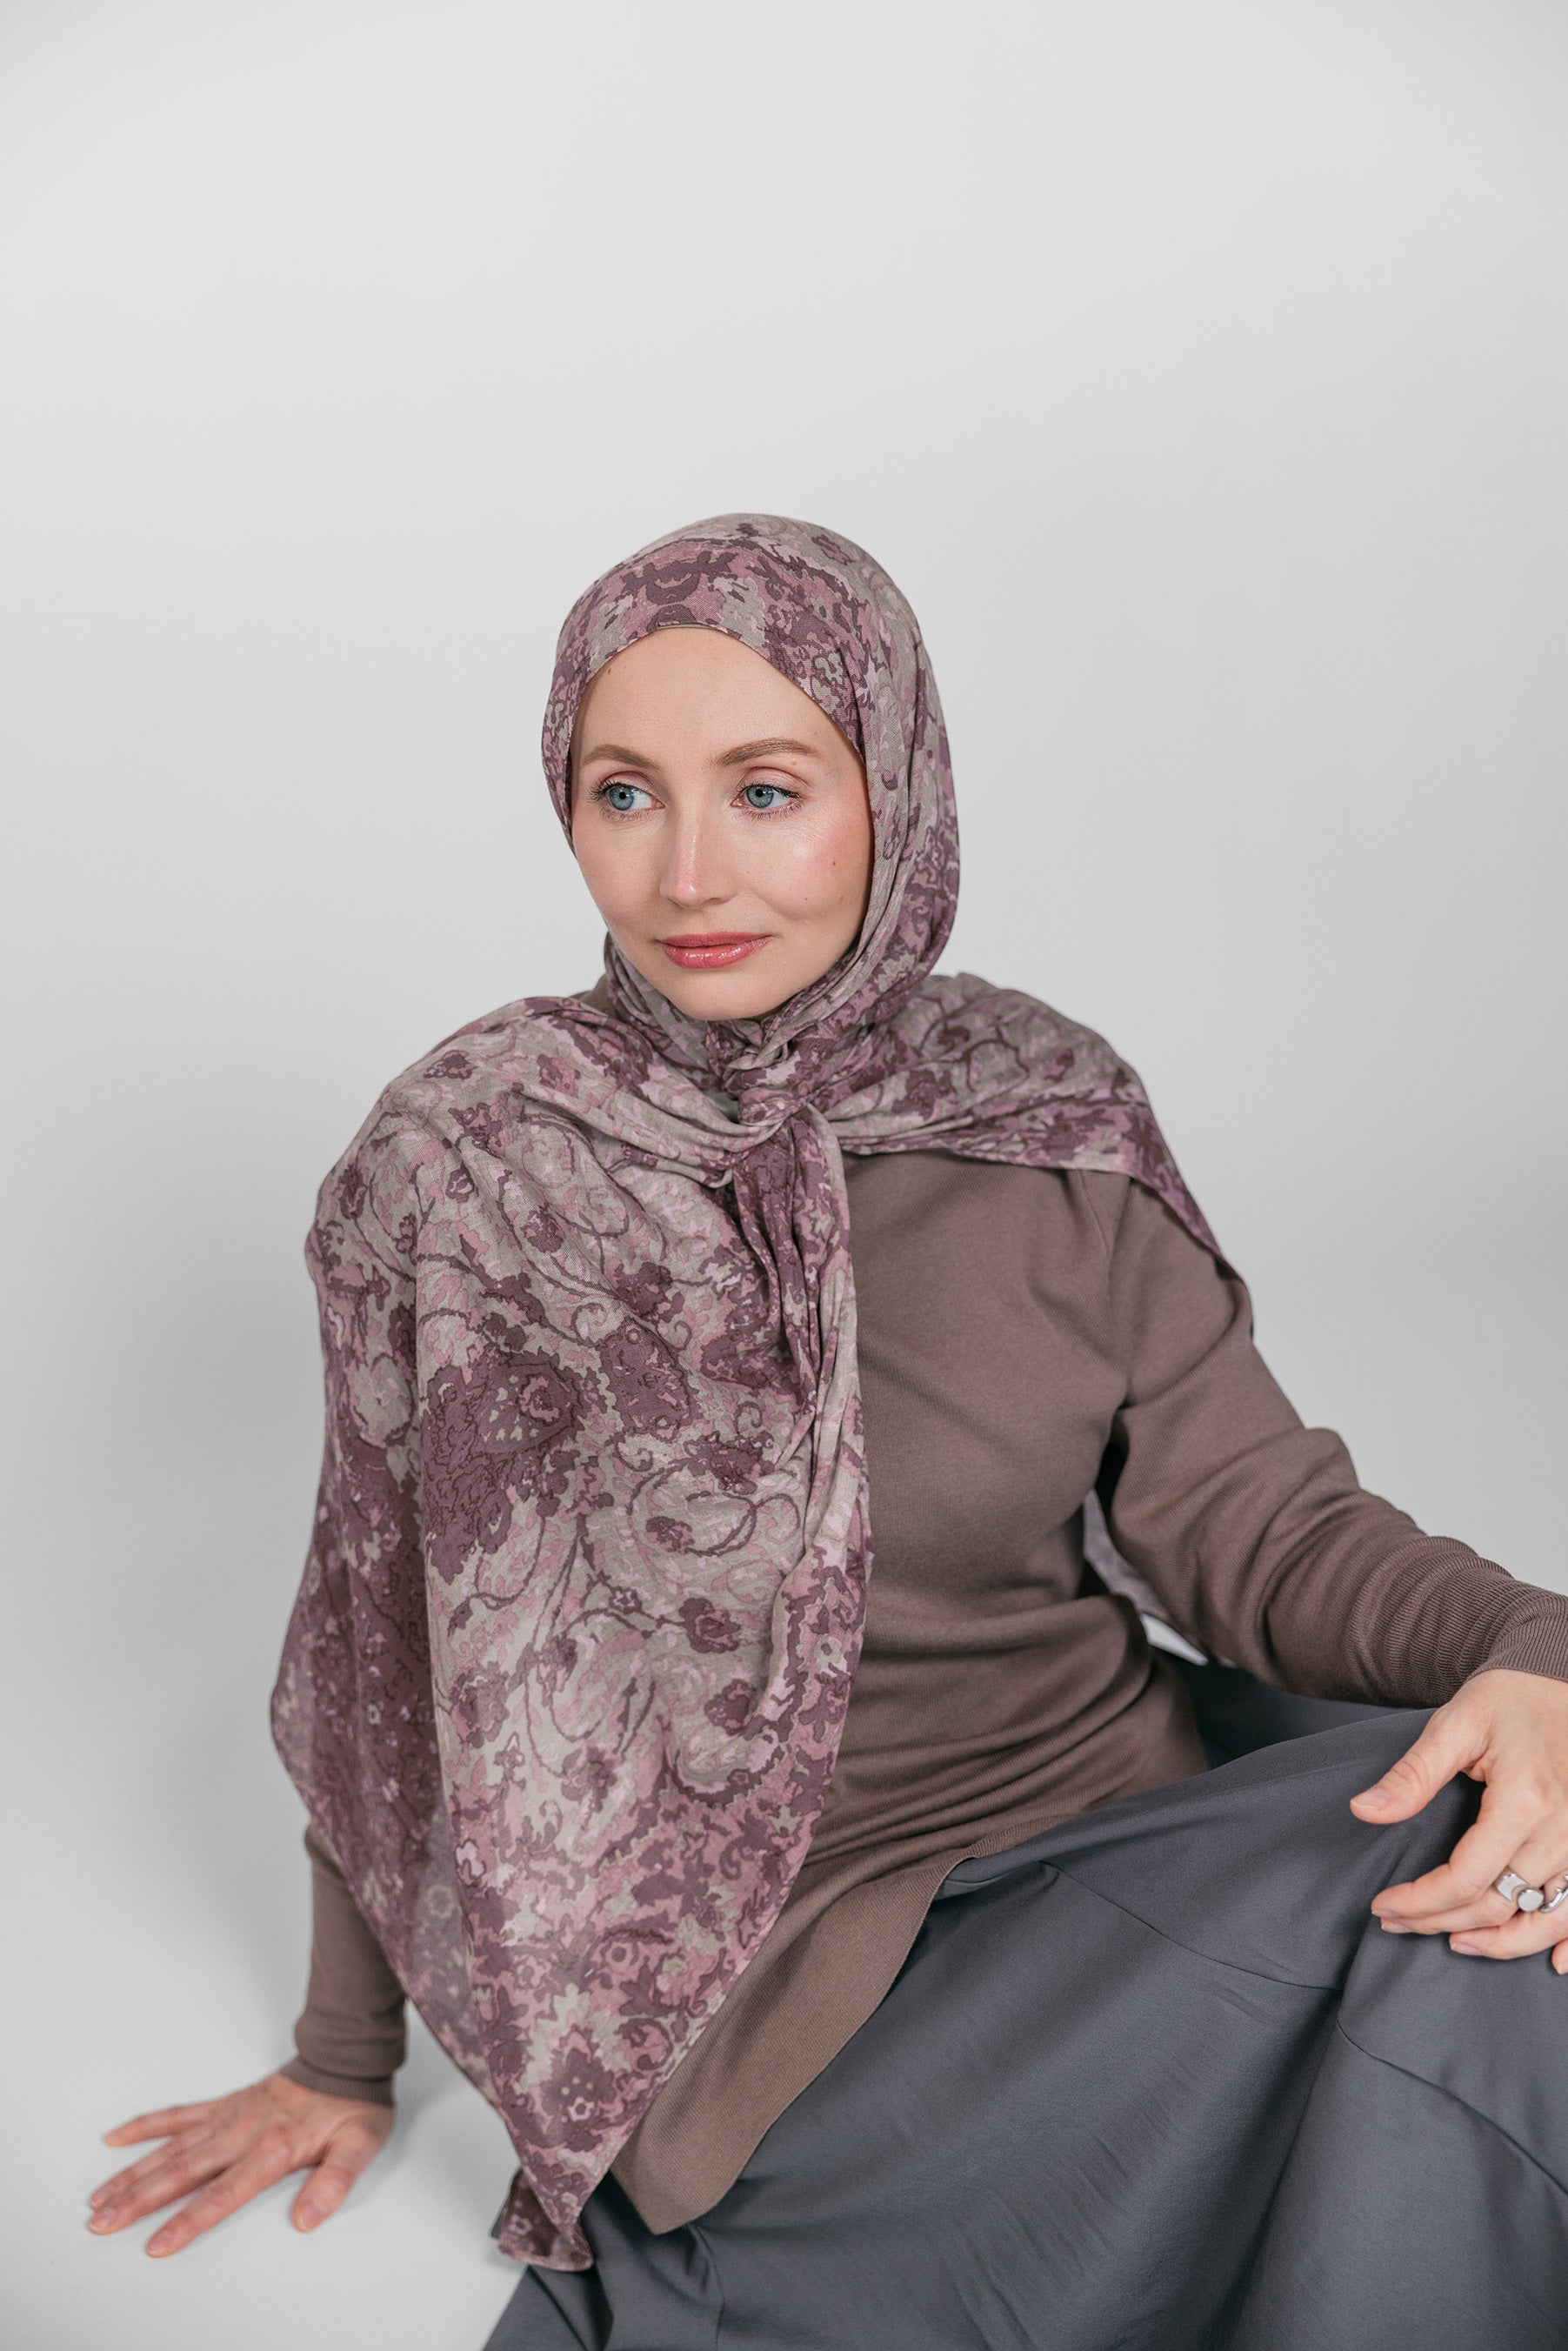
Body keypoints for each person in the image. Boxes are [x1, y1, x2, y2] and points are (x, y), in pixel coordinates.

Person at [90, 517, 1568, 2348]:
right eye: (625, 793)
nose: (688, 871)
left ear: (897, 793)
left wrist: (1537, 1648)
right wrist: (340, 2057)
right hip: (796, 1989)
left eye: (768, 790)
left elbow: (1260, 1530)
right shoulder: (472, 1167)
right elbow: (400, 1656)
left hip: (1142, 1822)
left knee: (1520, 1844)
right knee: (1466, 1938)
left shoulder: (1039, 1107)